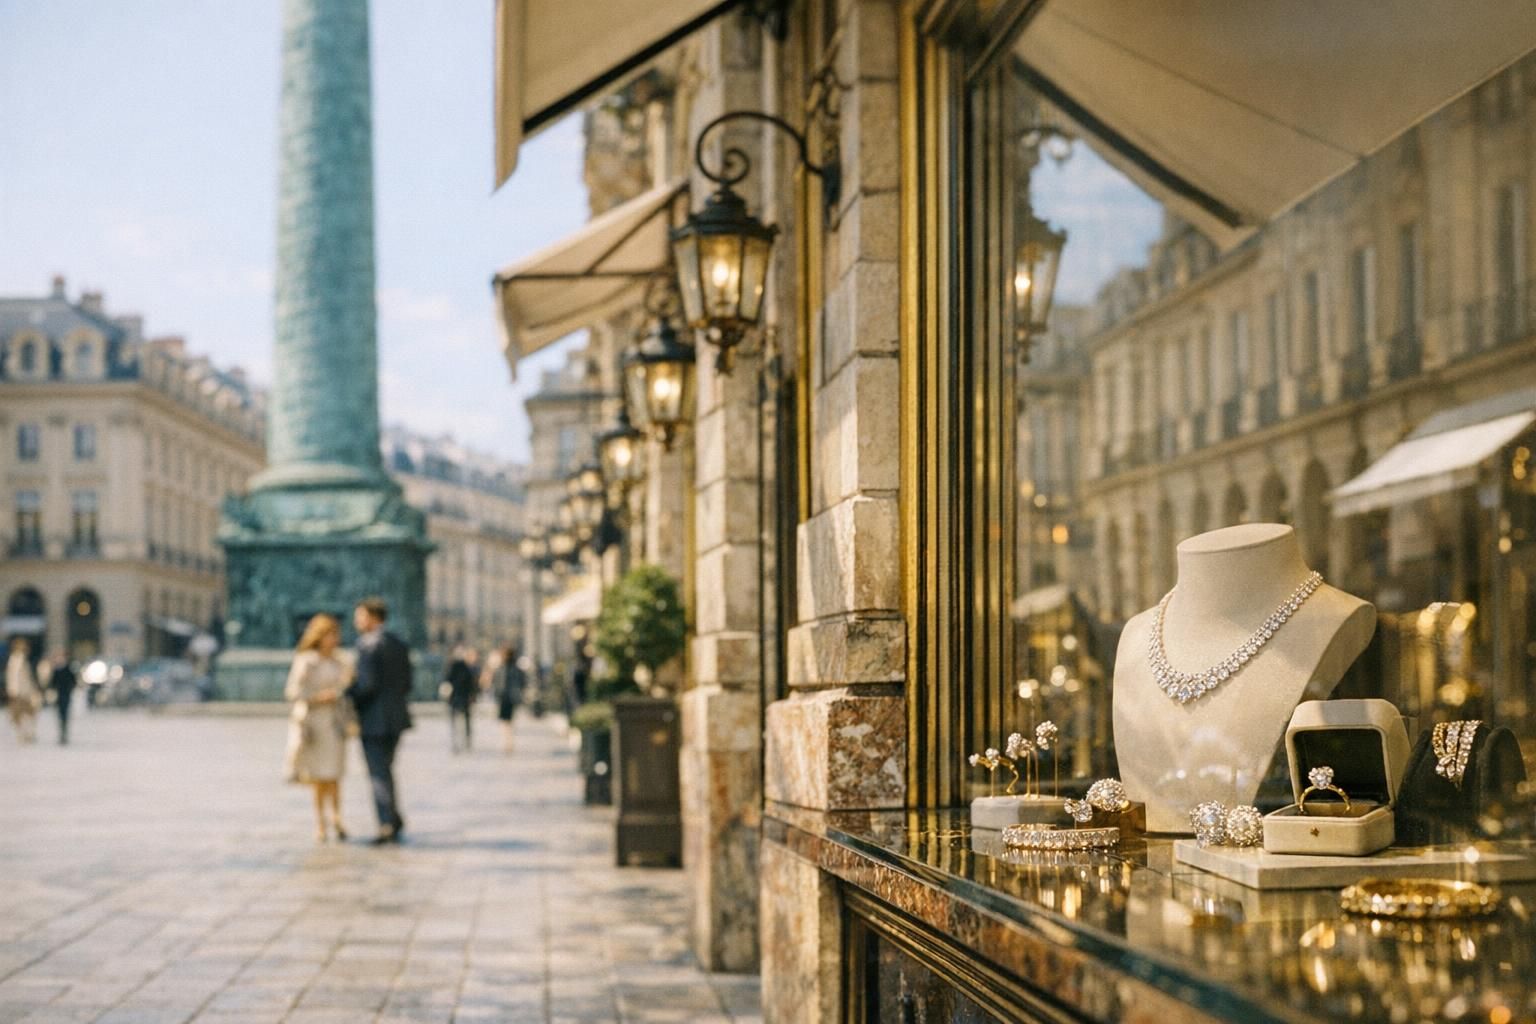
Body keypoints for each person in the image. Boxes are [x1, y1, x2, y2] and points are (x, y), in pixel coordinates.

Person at [347, 597, 412, 845]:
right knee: (386, 770)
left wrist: (347, 692)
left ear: (373, 618)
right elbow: (408, 683)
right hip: (397, 718)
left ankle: (387, 823)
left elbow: (366, 685)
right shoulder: (398, 643)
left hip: (374, 720)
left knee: (378, 773)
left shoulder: (367, 645)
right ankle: (393, 817)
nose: (357, 622)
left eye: (360, 616)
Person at [283, 614, 353, 842]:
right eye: (329, 635)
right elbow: (293, 692)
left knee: (335, 774)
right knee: (318, 776)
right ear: (318, 636)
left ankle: (337, 818)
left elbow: (347, 688)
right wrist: (318, 697)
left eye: (335, 635)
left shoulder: (340, 660)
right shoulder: (306, 660)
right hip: (314, 723)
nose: (333, 639)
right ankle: (320, 822)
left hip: (334, 723)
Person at [5, 637, 41, 744]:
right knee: (22, 715)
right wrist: (14, 691)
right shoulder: (17, 659)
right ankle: (24, 735)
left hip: (23, 692)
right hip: (21, 693)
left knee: (26, 715)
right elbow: (14, 677)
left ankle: (25, 735)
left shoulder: (20, 659)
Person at [442, 646, 478, 753]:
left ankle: (456, 742)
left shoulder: (451, 667)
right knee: (466, 721)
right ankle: (467, 741)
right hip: (464, 698)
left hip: (455, 697)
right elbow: (472, 684)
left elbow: (447, 681)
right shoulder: (467, 667)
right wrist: (472, 696)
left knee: (455, 721)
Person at [493, 645, 525, 754]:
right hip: (506, 697)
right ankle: (508, 743)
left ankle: (508, 743)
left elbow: (521, 682)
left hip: (507, 697)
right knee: (506, 722)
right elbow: (497, 682)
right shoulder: (505, 668)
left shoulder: (509, 668)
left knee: (507, 722)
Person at [47, 652, 76, 746]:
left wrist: (69, 689)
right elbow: (52, 683)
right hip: (58, 696)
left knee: (65, 716)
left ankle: (64, 734)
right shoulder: (56, 670)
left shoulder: (68, 669)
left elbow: (73, 681)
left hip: (65, 696)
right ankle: (62, 734)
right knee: (60, 716)